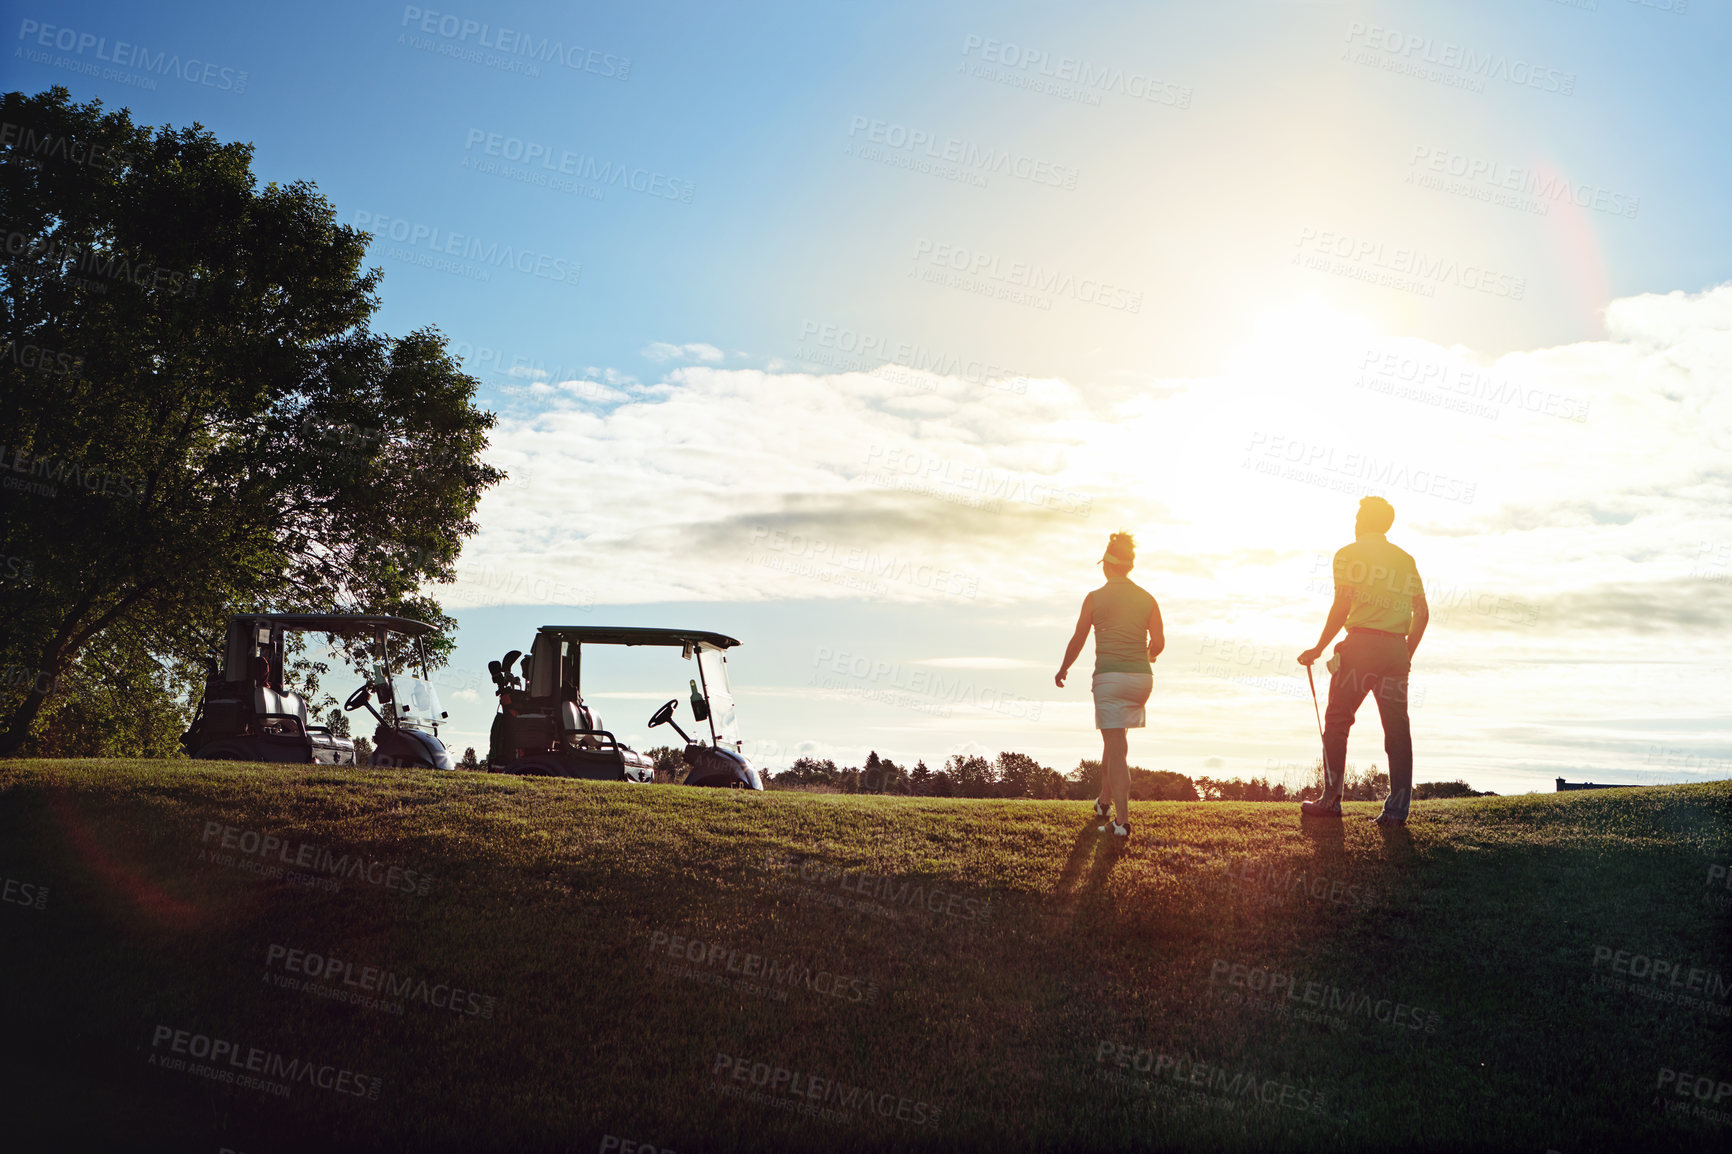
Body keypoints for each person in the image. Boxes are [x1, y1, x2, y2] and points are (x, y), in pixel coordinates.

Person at [1296, 496, 1429, 826]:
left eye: (1357, 517)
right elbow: (1422, 614)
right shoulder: (1405, 559)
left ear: (1363, 522)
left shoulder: (1348, 555)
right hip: (1396, 650)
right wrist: (1403, 654)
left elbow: (1341, 608)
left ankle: (1331, 801)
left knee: (1338, 721)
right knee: (1398, 730)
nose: (1354, 522)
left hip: (1359, 647)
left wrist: (1317, 647)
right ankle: (1398, 812)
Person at [1056, 532, 1164, 839]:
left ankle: (1122, 822)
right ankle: (1104, 802)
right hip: (1141, 680)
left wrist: (1063, 669)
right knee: (1114, 741)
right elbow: (1158, 643)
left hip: (1109, 679)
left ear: (1107, 565)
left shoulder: (1094, 598)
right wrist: (1147, 655)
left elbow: (1078, 639)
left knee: (1117, 749)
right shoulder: (1147, 598)